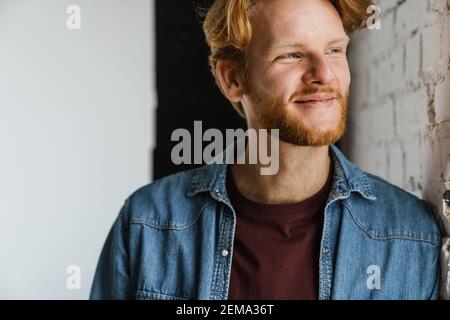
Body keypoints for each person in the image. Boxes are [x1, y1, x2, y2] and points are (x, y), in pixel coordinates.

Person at [90, 0, 441, 300]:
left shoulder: (411, 236)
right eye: (291, 55)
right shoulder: (147, 224)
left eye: (334, 50)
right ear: (233, 80)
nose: (324, 74)